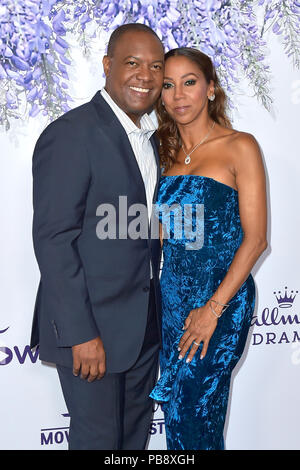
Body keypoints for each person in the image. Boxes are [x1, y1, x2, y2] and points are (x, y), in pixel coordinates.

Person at [30, 23, 165, 450]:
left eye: (156, 66)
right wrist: (80, 334)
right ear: (107, 66)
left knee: (133, 443)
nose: (145, 75)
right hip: (93, 333)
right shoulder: (72, 133)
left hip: (144, 326)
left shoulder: (150, 138)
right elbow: (54, 240)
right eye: (132, 63)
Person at [150, 47, 267, 450]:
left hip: (222, 301)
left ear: (211, 89)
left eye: (190, 82)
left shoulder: (240, 146)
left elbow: (256, 240)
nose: (179, 95)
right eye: (168, 85)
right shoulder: (160, 154)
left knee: (195, 413)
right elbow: (164, 232)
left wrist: (212, 309)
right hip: (173, 299)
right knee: (177, 419)